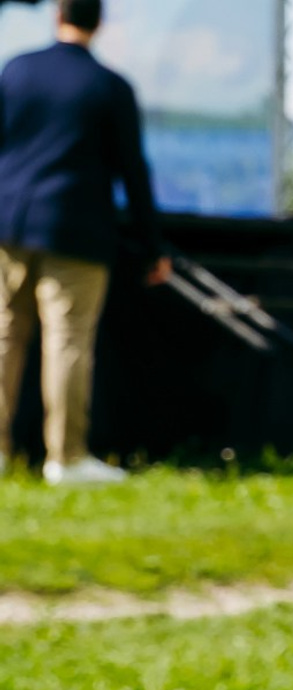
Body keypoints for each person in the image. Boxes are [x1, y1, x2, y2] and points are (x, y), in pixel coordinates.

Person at [0, 0, 169, 484]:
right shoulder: (110, 86)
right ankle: (66, 458)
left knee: (4, 335)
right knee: (68, 341)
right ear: (100, 22)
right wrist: (152, 246)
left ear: (56, 15)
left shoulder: (16, 70)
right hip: (76, 231)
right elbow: (134, 173)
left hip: (9, 224)